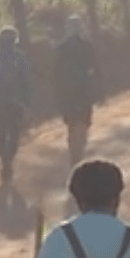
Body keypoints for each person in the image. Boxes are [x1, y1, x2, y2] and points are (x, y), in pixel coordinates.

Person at [0, 26, 33, 183]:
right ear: (15, 40)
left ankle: (5, 160)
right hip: (15, 103)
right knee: (14, 133)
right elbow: (27, 82)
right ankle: (8, 159)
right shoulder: (20, 57)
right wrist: (28, 102)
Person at [54, 15, 100, 166]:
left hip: (66, 91)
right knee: (84, 121)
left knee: (71, 123)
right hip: (84, 89)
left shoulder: (60, 48)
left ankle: (74, 152)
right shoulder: (88, 45)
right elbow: (94, 68)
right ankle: (80, 149)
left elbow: (56, 73)